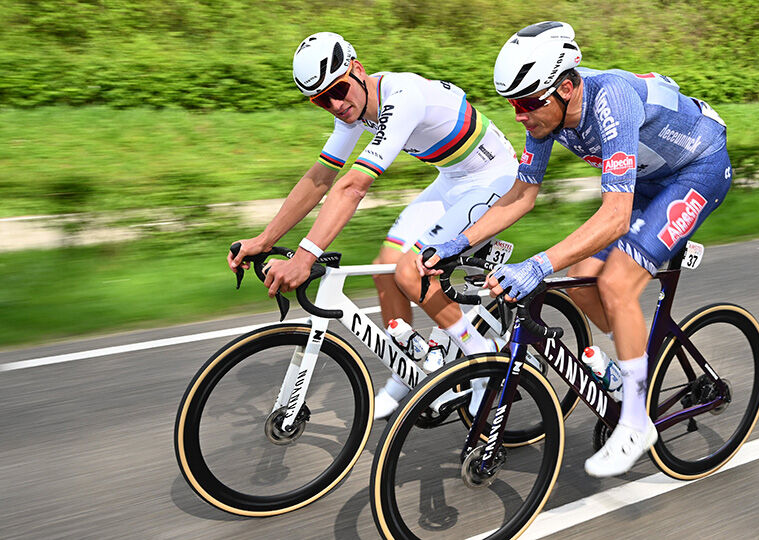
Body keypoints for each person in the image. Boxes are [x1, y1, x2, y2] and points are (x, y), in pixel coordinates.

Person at [415, 21, 733, 477]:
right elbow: (523, 195)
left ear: (566, 87)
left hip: (697, 171)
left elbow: (615, 217)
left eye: (527, 103)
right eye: (513, 105)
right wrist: (457, 241)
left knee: (618, 283)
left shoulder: (612, 100)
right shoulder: (545, 116)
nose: (520, 115)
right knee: (583, 282)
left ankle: (638, 420)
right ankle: (634, 367)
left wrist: (538, 264)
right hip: (648, 182)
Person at [227, 32, 519, 418]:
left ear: (358, 70)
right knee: (386, 267)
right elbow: (321, 178)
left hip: (495, 180)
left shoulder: (402, 97)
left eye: (339, 90)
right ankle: (409, 367)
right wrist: (264, 239)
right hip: (451, 179)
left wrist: (303, 256)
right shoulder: (353, 108)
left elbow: (353, 187)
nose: (335, 104)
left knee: (411, 272)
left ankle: (484, 364)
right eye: (320, 100)